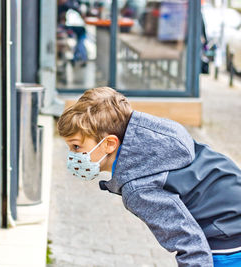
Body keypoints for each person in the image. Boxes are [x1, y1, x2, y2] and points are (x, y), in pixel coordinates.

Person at [57, 87, 241, 267]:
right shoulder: (159, 139)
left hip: (227, 237)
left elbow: (189, 243)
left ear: (110, 144)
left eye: (76, 147)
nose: (73, 156)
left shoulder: (137, 188)